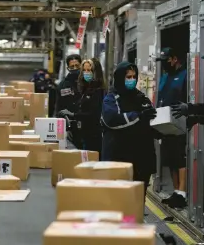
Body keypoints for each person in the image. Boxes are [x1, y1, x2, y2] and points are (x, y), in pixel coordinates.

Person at [101, 61, 158, 199]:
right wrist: (139, 116)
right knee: (119, 200)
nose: (132, 80)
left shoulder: (142, 98)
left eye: (134, 77)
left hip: (142, 160)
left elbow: (149, 121)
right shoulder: (111, 99)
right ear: (120, 78)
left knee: (137, 201)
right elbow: (112, 120)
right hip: (119, 158)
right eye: (128, 77)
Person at [156, 47, 188, 209]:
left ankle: (182, 193)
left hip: (179, 123)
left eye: (166, 60)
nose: (164, 64)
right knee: (169, 159)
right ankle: (175, 192)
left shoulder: (185, 75)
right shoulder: (164, 77)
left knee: (180, 157)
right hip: (164, 123)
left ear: (175, 59)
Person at [58, 59, 105, 153]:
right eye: (84, 70)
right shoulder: (86, 88)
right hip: (83, 133)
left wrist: (73, 114)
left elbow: (93, 113)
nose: (86, 73)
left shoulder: (98, 91)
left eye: (89, 70)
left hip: (93, 135)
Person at [55, 54, 82, 147]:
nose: (75, 68)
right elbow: (58, 110)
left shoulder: (88, 84)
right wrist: (65, 129)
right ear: (68, 68)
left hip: (87, 126)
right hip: (71, 127)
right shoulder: (62, 86)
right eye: (72, 66)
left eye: (77, 66)